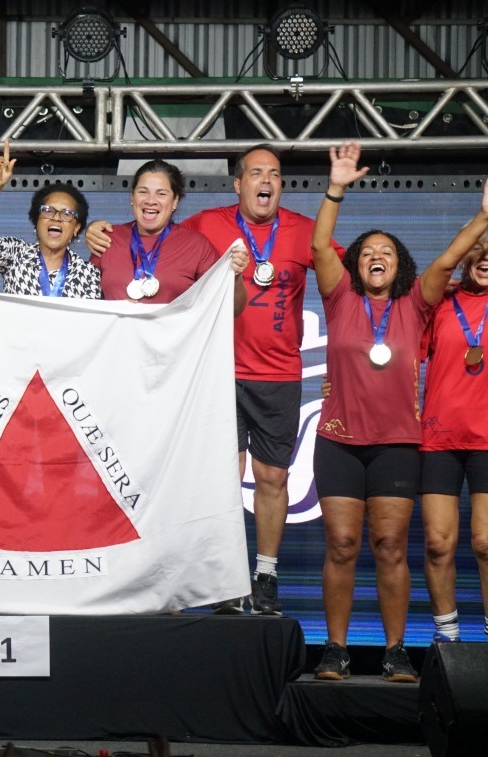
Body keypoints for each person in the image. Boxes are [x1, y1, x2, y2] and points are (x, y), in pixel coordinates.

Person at [309, 141, 488, 682]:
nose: (376, 255)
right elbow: (318, 245)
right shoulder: (339, 297)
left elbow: (449, 260)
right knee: (342, 545)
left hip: (397, 445)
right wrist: (335, 188)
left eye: (386, 250)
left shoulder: (416, 304)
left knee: (389, 547)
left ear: (399, 264)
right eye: (367, 251)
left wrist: (484, 218)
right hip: (339, 441)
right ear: (355, 263)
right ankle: (335, 650)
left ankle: (394, 651)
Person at [179, 146, 344, 616]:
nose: (266, 180)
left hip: (279, 375)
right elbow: (160, 246)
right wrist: (103, 232)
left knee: (273, 477)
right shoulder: (206, 225)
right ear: (238, 184)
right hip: (218, 371)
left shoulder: (303, 230)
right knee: (223, 479)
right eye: (256, 172)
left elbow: (347, 279)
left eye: (274, 173)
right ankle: (225, 576)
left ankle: (266, 574)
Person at [420, 227, 488, 642]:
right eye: (480, 250)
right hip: (439, 440)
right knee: (437, 543)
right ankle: (449, 640)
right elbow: (401, 356)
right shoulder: (440, 304)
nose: (487, 258)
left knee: (486, 542)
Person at [85, 159, 248, 309]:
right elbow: (85, 299)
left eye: (161, 194)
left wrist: (235, 277)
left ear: (175, 201)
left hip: (176, 333)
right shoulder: (107, 238)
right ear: (132, 197)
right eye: (143, 192)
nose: (150, 200)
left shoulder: (196, 245)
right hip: (117, 332)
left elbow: (231, 308)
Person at [0, 141, 100, 298]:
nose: (56, 218)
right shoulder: (16, 255)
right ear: (37, 219)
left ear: (76, 227)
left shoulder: (88, 273)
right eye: (48, 211)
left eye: (66, 213)